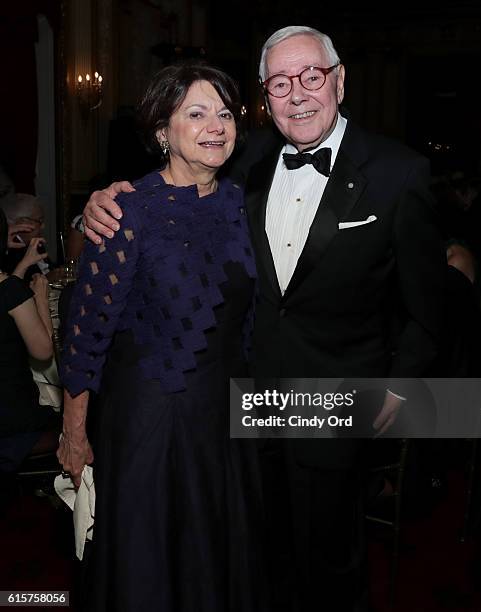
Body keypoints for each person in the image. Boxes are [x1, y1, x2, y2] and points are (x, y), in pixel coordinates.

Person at [82, 26, 446, 611]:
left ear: (339, 80)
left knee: (331, 570)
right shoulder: (240, 157)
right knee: (254, 563)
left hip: (335, 404)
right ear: (265, 94)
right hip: (241, 411)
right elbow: (166, 192)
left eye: (311, 76)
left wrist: (396, 399)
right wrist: (97, 205)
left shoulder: (399, 173)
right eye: (280, 81)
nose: (298, 93)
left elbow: (429, 311)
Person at [57, 62, 267, 612]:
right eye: (195, 113)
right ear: (161, 131)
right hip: (151, 415)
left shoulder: (244, 206)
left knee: (217, 557)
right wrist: (74, 433)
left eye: (224, 113)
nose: (215, 125)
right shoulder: (126, 213)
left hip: (225, 415)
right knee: (150, 562)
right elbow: (85, 335)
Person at [0, 208, 56, 495]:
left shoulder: (9, 289)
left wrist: (22, 264)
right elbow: (43, 352)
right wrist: (41, 300)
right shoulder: (11, 291)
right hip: (13, 425)